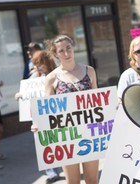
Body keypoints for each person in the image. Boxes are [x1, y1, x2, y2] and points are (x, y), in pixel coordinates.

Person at [43, 33, 99, 184]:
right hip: (67, 137)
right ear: (55, 54)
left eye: (69, 48)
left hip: (90, 135)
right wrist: (39, 125)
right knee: (72, 182)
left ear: (73, 48)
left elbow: (98, 103)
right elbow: (48, 112)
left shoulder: (90, 71)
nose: (66, 53)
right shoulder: (51, 79)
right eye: (61, 51)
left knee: (92, 180)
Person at [17, 50, 60, 183]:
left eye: (39, 64)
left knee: (57, 142)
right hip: (39, 116)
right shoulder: (34, 76)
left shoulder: (56, 74)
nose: (37, 67)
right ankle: (51, 172)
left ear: (47, 62)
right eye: (35, 65)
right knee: (44, 143)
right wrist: (19, 95)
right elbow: (26, 91)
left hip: (54, 114)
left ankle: (61, 165)